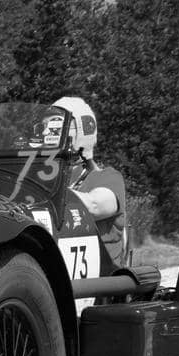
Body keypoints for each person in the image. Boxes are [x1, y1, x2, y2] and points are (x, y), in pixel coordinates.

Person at [51, 95, 129, 266]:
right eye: (48, 125)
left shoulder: (108, 177)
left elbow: (94, 206)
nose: (47, 133)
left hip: (103, 284)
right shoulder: (45, 178)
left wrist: (45, 189)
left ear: (82, 131)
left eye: (58, 126)